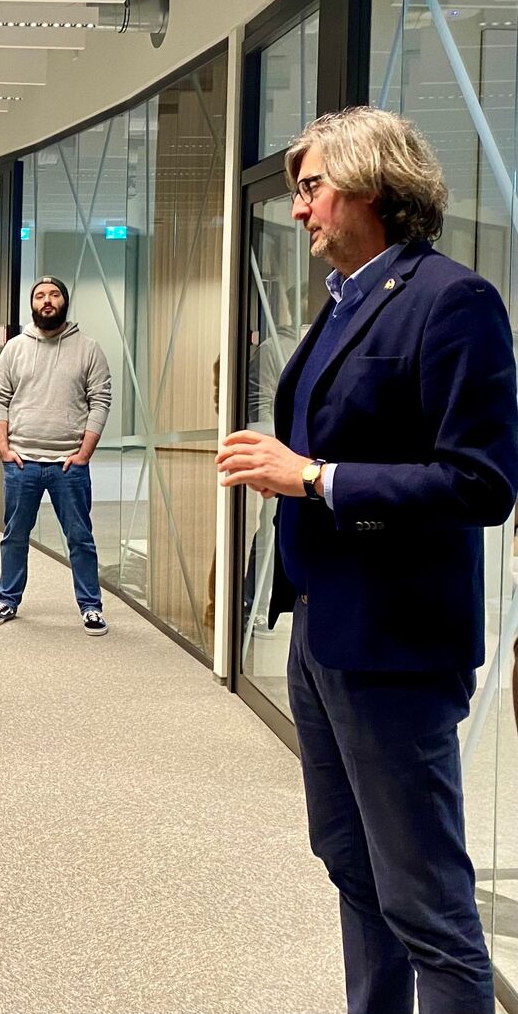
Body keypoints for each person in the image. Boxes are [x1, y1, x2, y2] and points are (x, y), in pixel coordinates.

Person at [216, 107, 518, 1014]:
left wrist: (311, 476)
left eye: (312, 188)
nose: (300, 210)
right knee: (353, 867)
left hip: (395, 648)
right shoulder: (345, 302)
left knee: (426, 903)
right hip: (323, 631)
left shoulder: (453, 300)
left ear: (374, 188)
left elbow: (481, 483)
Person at [0, 276, 112, 634]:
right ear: (32, 304)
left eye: (54, 294)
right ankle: (7, 600)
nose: (47, 300)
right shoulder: (15, 348)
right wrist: (3, 448)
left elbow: (100, 401)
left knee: (80, 538)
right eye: (40, 295)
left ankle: (91, 607)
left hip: (68, 465)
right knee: (14, 536)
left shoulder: (88, 349)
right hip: (22, 462)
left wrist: (85, 452)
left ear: (64, 302)